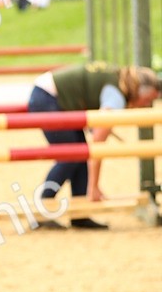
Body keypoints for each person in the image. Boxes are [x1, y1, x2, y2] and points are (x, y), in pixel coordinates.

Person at [28, 62, 161, 230]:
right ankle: (41, 211)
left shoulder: (116, 79)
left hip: (50, 95)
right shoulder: (116, 97)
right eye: (148, 100)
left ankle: (80, 216)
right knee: (70, 157)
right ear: (138, 91)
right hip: (48, 98)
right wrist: (94, 187)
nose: (146, 105)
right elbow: (97, 146)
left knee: (79, 155)